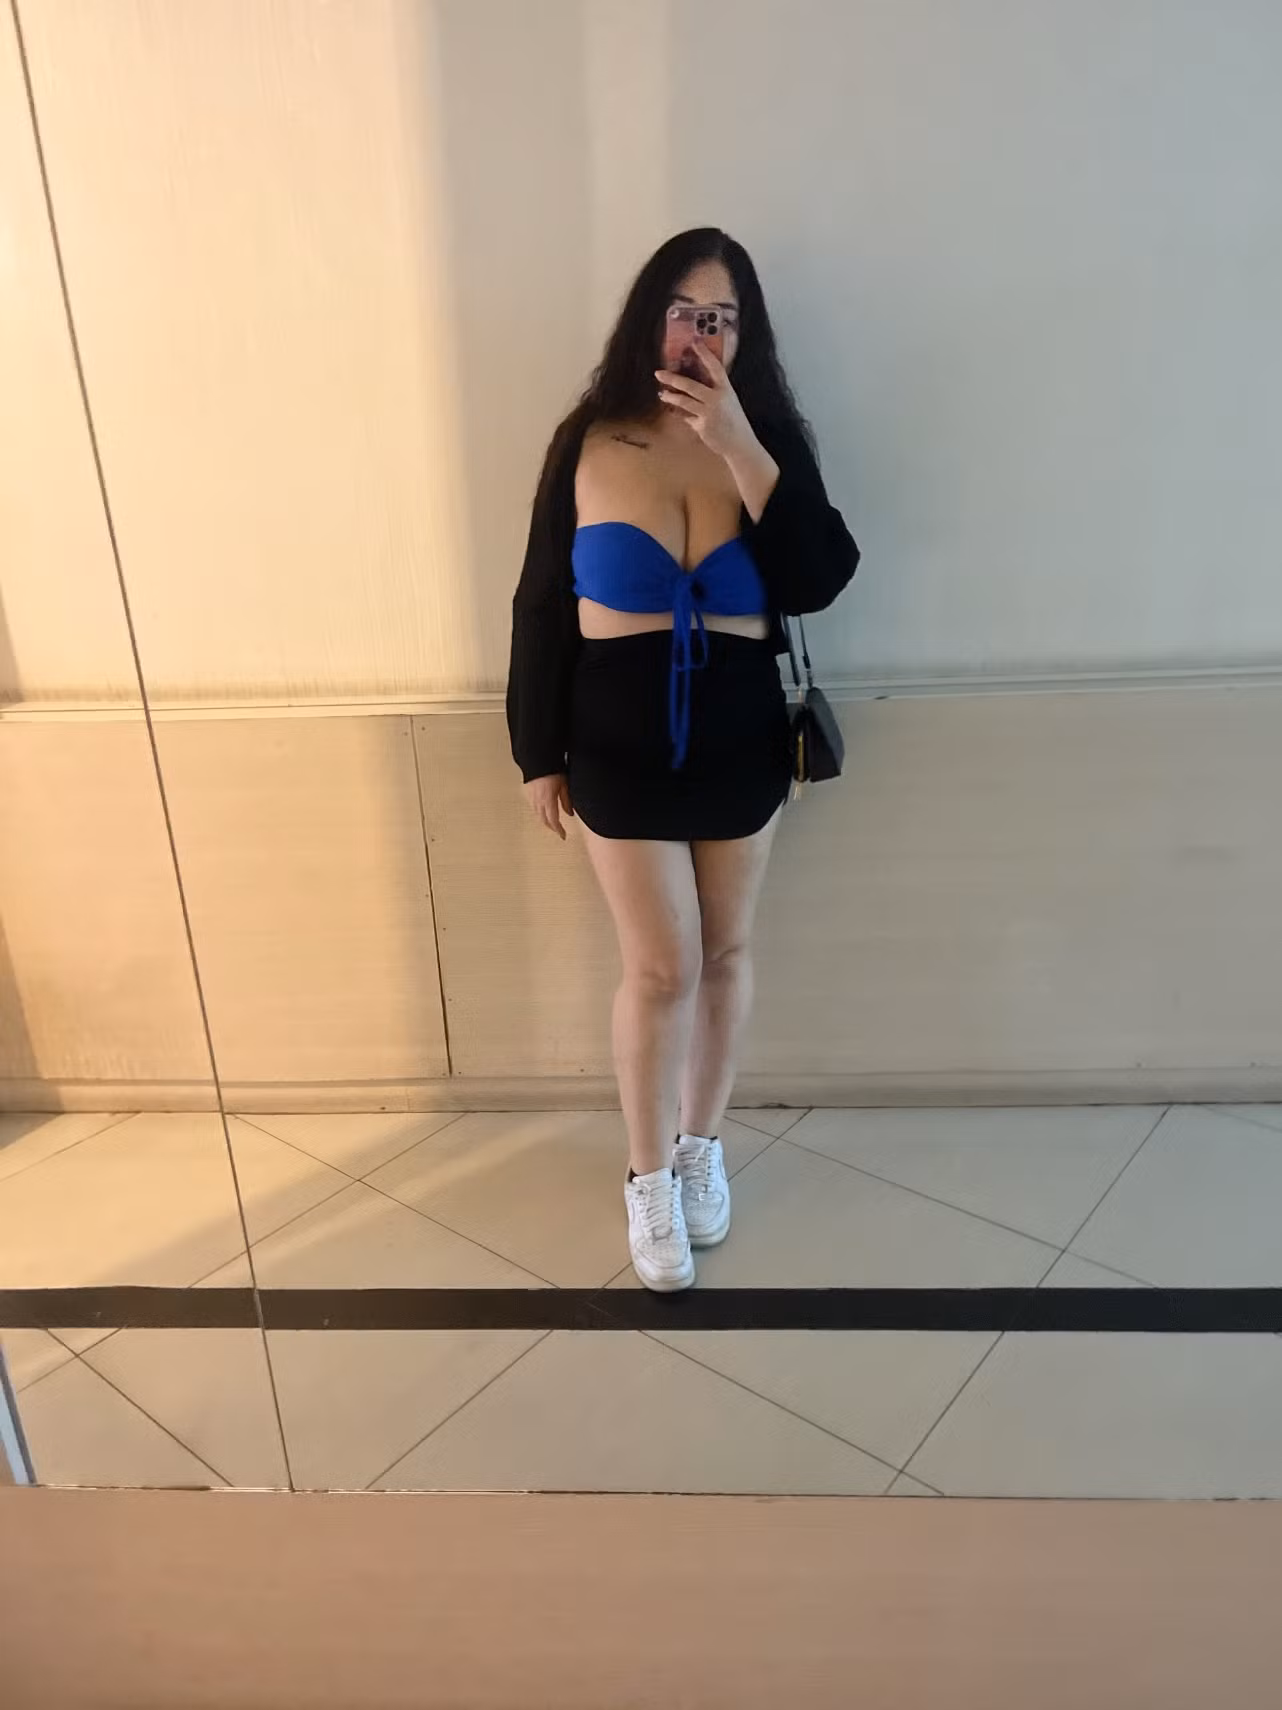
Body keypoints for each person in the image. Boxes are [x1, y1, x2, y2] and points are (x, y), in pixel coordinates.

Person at [506, 228, 859, 1291]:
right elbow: (540, 604)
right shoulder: (589, 439)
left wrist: (741, 444)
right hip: (615, 733)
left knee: (727, 954)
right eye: (683, 311)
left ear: (745, 335)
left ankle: (702, 1148)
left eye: (722, 318)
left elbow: (819, 576)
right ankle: (647, 1174)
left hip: (739, 727)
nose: (700, 334)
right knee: (661, 967)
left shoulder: (767, 439)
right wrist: (536, 752)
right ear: (647, 318)